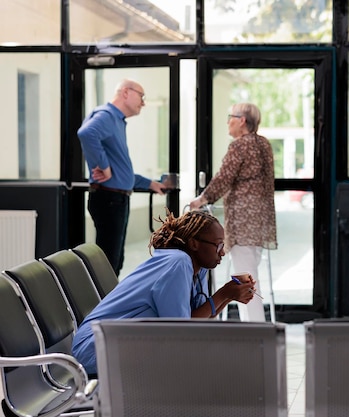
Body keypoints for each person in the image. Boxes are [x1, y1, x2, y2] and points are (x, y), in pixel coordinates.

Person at [72, 209, 257, 376]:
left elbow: (198, 323)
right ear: (194, 244)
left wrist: (229, 295)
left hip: (121, 342)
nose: (222, 252)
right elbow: (180, 331)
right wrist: (224, 295)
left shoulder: (198, 267)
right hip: (97, 348)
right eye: (218, 245)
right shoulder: (178, 262)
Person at [189, 103, 277, 322]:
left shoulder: (240, 146)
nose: (228, 121)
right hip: (259, 221)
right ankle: (252, 327)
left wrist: (202, 199)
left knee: (245, 280)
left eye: (231, 117)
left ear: (242, 121)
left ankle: (255, 330)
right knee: (249, 273)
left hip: (243, 222)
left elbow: (224, 178)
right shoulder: (263, 144)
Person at [77, 79, 168, 276]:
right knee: (109, 263)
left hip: (114, 199)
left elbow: (122, 171)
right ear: (125, 92)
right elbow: (86, 133)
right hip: (110, 200)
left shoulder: (116, 121)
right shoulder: (107, 115)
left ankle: (106, 302)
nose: (143, 103)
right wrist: (104, 166)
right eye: (141, 96)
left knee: (114, 262)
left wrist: (150, 184)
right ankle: (103, 305)